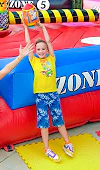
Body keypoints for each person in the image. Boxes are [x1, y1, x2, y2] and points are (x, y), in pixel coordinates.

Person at [24, 22, 74, 162]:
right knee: (44, 123)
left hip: (53, 94)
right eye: (38, 49)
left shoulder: (51, 59)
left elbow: (49, 41)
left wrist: (43, 27)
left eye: (43, 49)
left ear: (47, 50)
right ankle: (46, 148)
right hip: (40, 96)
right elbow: (28, 43)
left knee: (59, 120)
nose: (40, 51)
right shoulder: (33, 60)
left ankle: (67, 142)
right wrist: (26, 28)